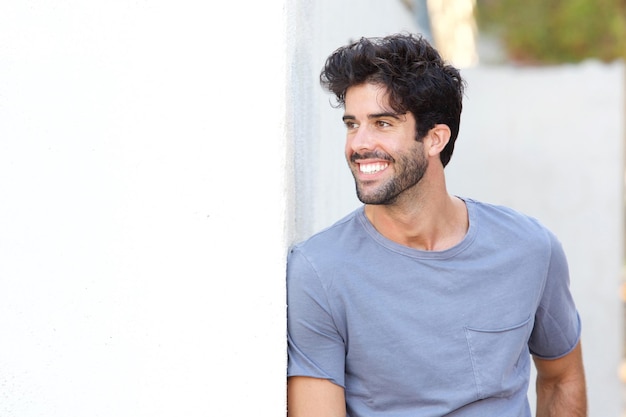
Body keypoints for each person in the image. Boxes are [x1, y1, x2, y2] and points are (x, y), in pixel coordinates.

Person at [286, 33, 587, 416]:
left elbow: (562, 376)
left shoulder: (530, 249)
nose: (358, 144)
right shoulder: (318, 271)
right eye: (351, 124)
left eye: (382, 123)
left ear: (435, 139)